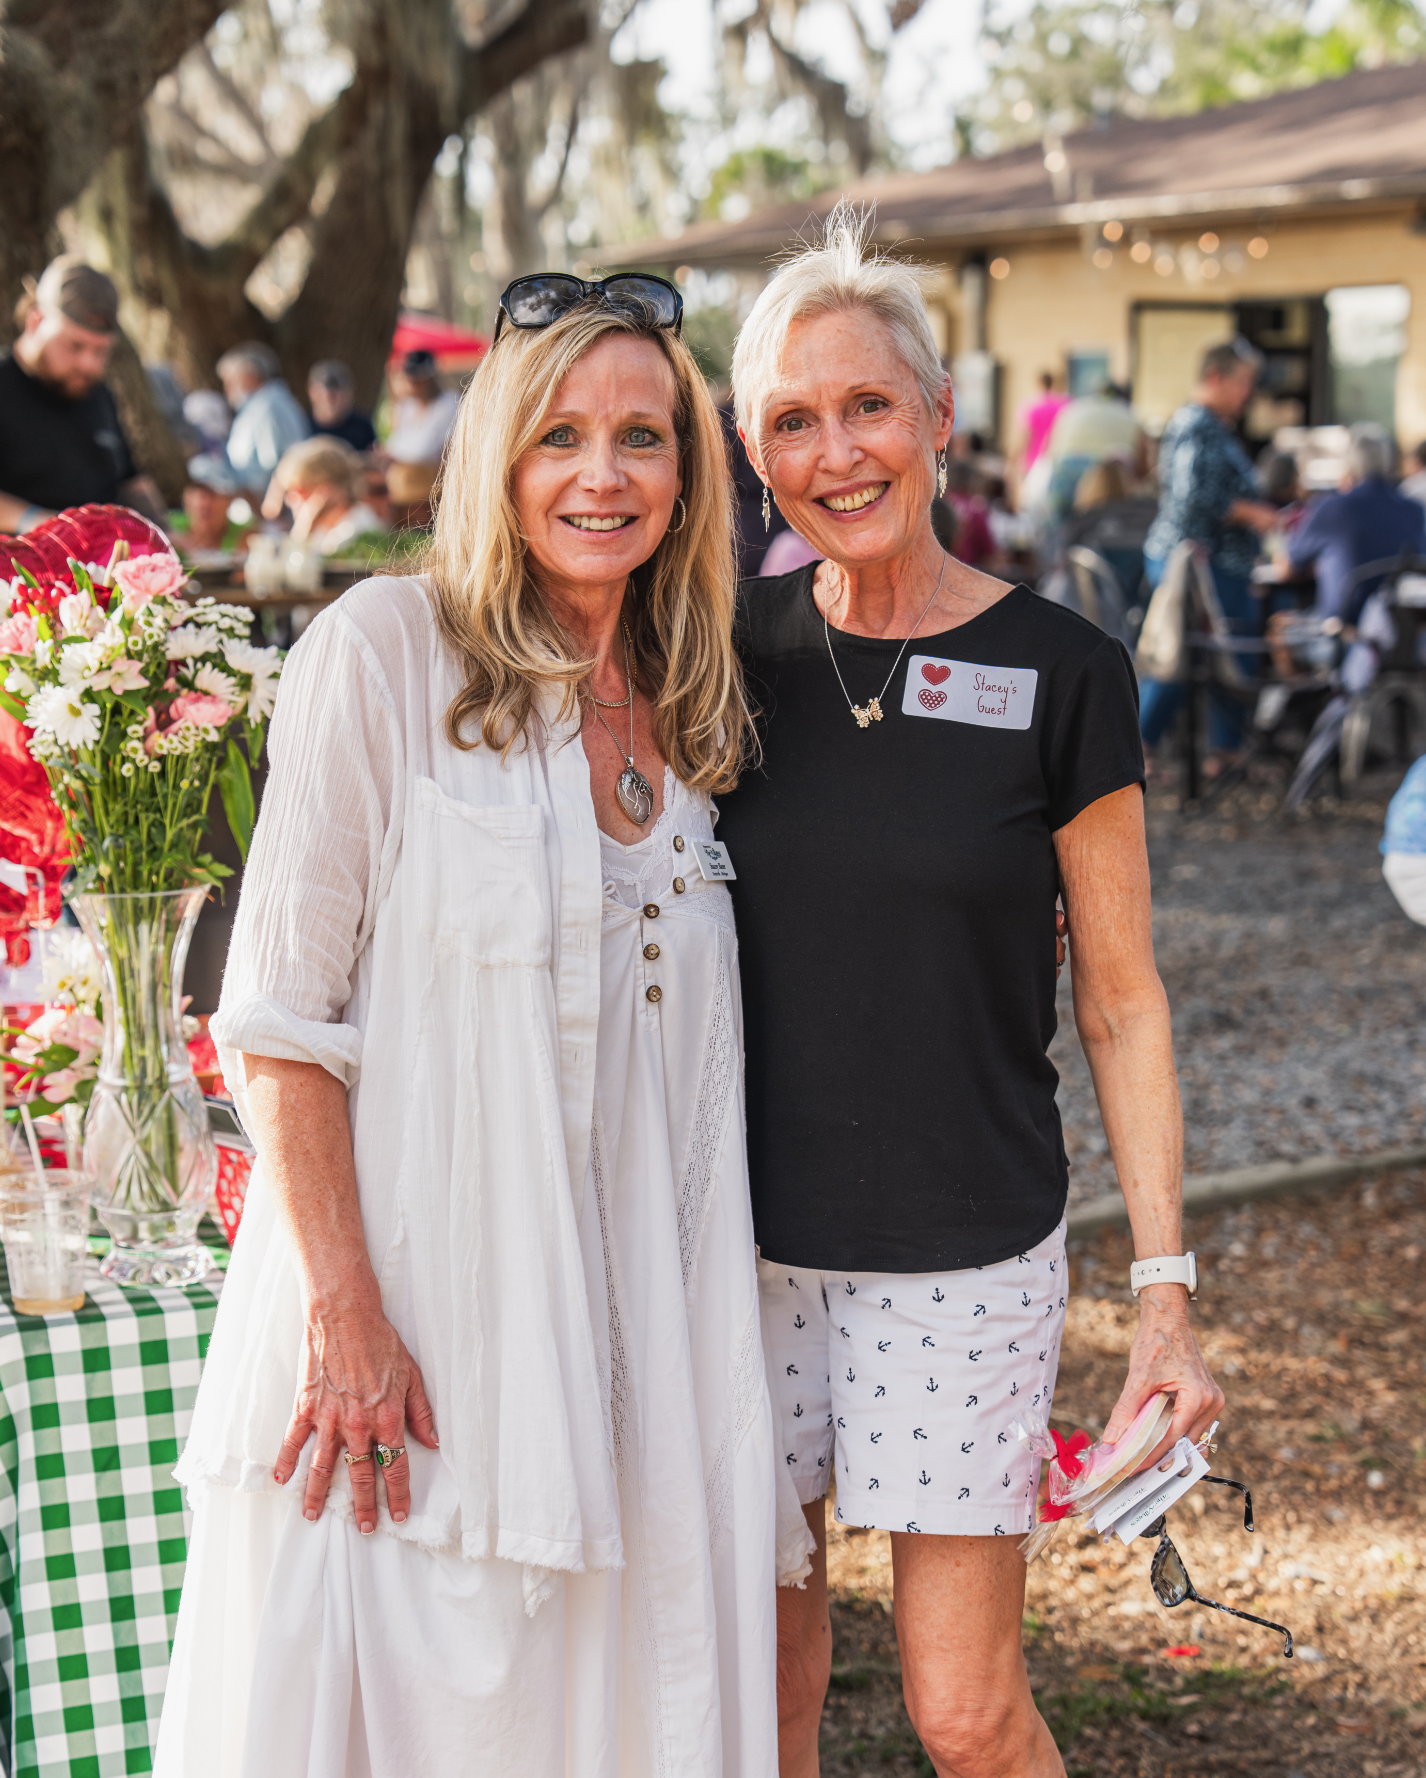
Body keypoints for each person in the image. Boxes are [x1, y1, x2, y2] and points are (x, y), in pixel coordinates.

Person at [154, 276, 808, 1777]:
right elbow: (274, 1020)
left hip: (652, 1347)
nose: (603, 474)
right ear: (495, 457)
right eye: (560, 436)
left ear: (689, 473)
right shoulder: (383, 649)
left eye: (643, 437)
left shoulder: (703, 709)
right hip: (420, 1336)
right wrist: (344, 1315)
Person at [720, 206, 1222, 1778]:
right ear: (753, 453)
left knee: (964, 1709)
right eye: (791, 420)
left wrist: (1161, 1290)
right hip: (728, 1253)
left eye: (868, 403)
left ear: (940, 417)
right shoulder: (717, 660)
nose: (838, 449)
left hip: (960, 1258)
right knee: (760, 1695)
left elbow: (1123, 1000)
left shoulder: (1064, 668)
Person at [1138, 340, 1279, 760]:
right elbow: (1191, 494)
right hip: (1200, 565)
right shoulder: (1196, 425)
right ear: (1215, 378)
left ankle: (1224, 751)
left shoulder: (1211, 426)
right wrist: (1251, 514)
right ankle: (1137, 751)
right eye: (1243, 382)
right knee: (1181, 658)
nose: (1248, 393)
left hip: (1216, 563)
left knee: (1209, 657)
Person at [0, 258, 165, 532]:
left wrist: (163, 535)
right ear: (36, 321)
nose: (88, 364)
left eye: (101, 351)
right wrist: (40, 523)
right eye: (74, 346)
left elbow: (130, 481)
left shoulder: (98, 394)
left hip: (104, 566)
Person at [1286, 423, 1425, 624]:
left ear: (1349, 466)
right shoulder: (1414, 509)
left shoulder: (1333, 507)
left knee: (1280, 625)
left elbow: (1290, 565)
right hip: (1400, 632)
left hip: (1343, 630)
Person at [211, 341, 311, 500]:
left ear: (249, 376)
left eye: (229, 380)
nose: (226, 388)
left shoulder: (269, 406)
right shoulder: (260, 405)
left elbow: (274, 465)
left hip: (270, 506)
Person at [264, 435, 387, 555]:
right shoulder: (322, 531)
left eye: (297, 490)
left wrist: (304, 524)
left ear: (326, 489)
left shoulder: (355, 529)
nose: (289, 500)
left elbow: (297, 568)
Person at [1044, 381, 1141, 521]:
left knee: (1062, 525)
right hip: (1100, 472)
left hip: (1063, 469)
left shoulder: (1074, 408)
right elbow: (1142, 461)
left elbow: (1051, 446)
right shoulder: (1128, 412)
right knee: (1100, 524)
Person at [381, 347, 460, 500]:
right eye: (410, 378)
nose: (412, 383)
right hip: (403, 483)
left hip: (431, 485)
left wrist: (394, 455)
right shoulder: (406, 406)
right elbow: (395, 442)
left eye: (418, 379)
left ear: (430, 379)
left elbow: (427, 451)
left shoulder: (448, 405)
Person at [308, 359, 377, 453]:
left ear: (350, 391)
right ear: (310, 391)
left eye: (337, 392)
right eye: (322, 392)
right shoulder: (301, 425)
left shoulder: (365, 428)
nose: (329, 398)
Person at [1017, 371, 1067, 476]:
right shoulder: (1065, 404)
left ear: (1039, 383)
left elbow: (1024, 437)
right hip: (1060, 460)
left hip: (1034, 461)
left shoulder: (1030, 405)